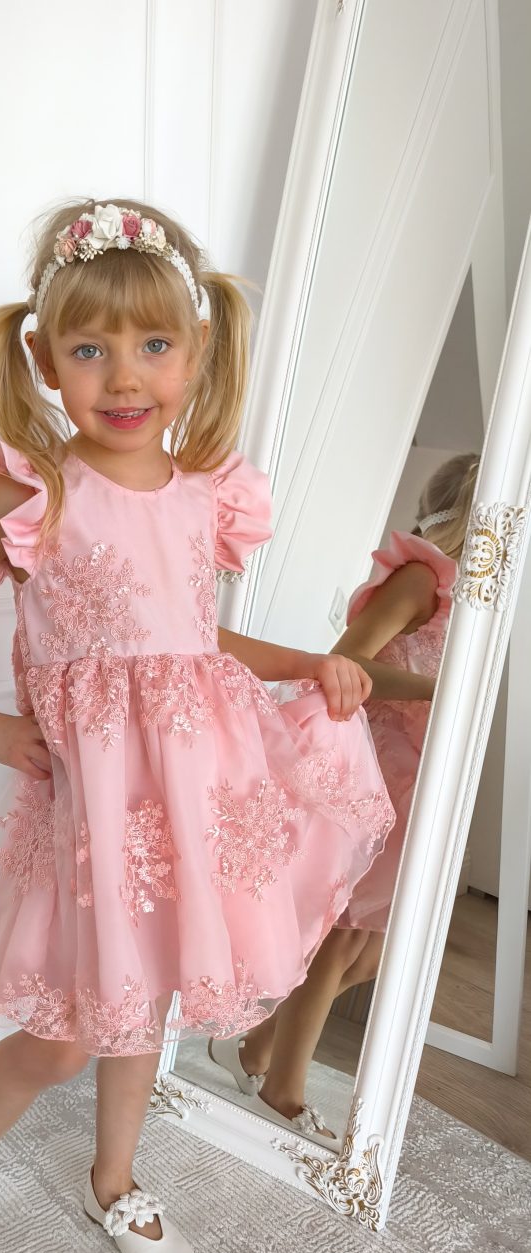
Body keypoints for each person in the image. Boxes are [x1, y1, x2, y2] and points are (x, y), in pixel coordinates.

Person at [0, 198, 395, 1253]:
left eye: (153, 345)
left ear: (198, 351)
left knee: (148, 1003)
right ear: (44, 359)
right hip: (92, 810)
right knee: (62, 1034)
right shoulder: (36, 489)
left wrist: (308, 663)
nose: (124, 376)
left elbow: (189, 641)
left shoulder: (206, 496)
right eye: (90, 350)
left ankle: (115, 1180)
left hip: (191, 796)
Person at [210, 453, 480, 1143]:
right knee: (345, 936)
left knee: (368, 953)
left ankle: (254, 1048)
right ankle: (283, 1090)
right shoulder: (421, 578)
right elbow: (347, 660)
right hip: (384, 765)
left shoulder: (467, 596)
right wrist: (442, 693)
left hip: (423, 772)